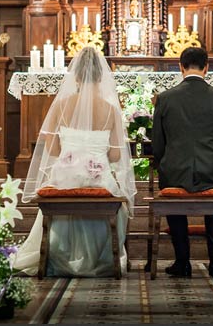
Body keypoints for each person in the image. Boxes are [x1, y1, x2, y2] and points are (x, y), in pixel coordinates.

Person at [10, 46, 136, 277]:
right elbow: (117, 155)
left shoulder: (60, 105)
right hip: (99, 179)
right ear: (101, 76)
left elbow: (52, 148)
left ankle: (58, 255)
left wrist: (72, 157)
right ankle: (101, 260)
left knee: (58, 185)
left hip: (65, 176)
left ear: (75, 75)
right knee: (119, 202)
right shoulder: (110, 109)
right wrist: (96, 160)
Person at [152, 47, 213, 278]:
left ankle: (182, 262)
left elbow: (157, 145)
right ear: (206, 67)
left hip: (175, 171)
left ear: (181, 67)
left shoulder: (165, 98)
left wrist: (163, 163)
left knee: (173, 196)